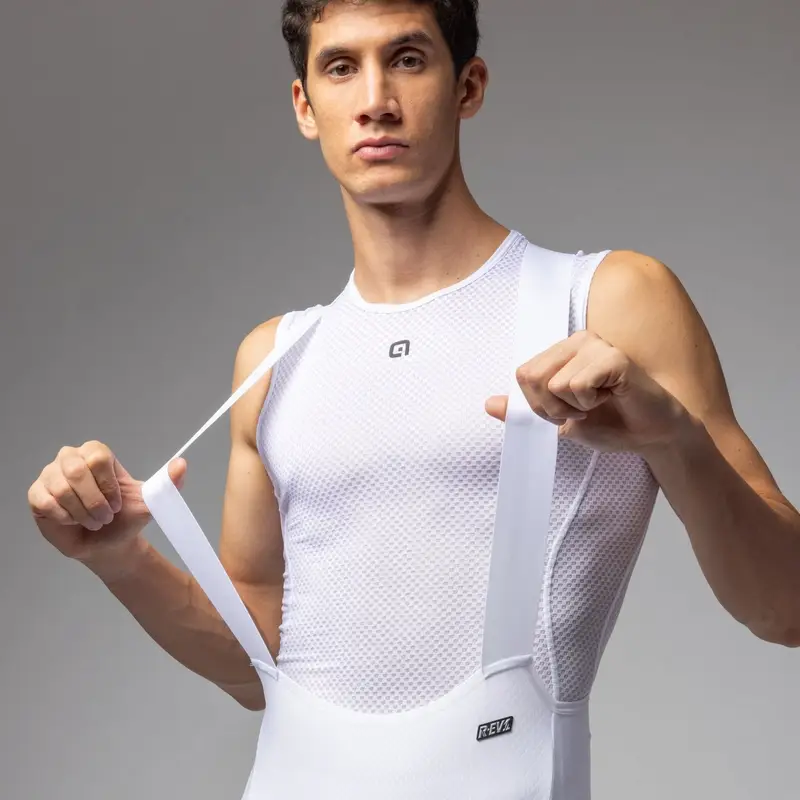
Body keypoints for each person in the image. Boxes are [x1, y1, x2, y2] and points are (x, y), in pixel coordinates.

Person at [27, 1, 800, 797]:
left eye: (406, 59)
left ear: (468, 85)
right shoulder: (275, 359)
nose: (375, 100)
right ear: (305, 106)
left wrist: (676, 439)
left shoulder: (605, 303)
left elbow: (786, 609)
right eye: (340, 67)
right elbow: (257, 669)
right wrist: (119, 559)